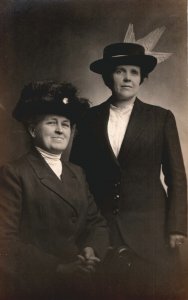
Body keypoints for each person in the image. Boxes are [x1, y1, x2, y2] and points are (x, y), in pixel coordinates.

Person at [70, 42, 187, 299]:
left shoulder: (161, 118)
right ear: (107, 76)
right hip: (102, 226)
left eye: (133, 72)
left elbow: (176, 175)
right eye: (120, 71)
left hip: (151, 229)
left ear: (142, 78)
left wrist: (176, 226)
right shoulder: (88, 119)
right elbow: (76, 175)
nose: (127, 78)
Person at [0, 81, 109, 300]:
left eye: (66, 124)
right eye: (52, 123)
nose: (60, 130)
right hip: (36, 285)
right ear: (33, 129)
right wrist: (58, 268)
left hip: (80, 282)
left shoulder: (77, 172)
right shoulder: (14, 173)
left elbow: (97, 223)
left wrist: (91, 249)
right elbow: (4, 241)